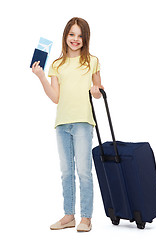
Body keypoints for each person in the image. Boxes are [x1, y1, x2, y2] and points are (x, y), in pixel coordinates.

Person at [32, 17, 104, 232]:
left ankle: (86, 218)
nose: (75, 39)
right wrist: (41, 76)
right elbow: (55, 97)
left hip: (83, 122)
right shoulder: (56, 64)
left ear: (85, 39)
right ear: (65, 36)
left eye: (80, 35)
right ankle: (68, 215)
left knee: (84, 171)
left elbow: (98, 89)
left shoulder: (92, 61)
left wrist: (96, 91)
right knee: (66, 172)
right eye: (72, 34)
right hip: (62, 123)